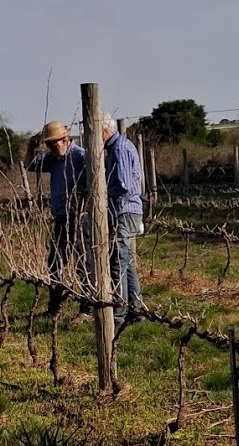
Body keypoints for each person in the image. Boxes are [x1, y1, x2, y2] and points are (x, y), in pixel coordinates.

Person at [26, 120, 89, 316]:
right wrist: (31, 146)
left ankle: (87, 308)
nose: (52, 148)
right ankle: (54, 307)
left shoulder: (81, 157)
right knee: (55, 263)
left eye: (55, 143)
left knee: (83, 264)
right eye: (49, 144)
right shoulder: (52, 159)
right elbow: (29, 165)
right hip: (61, 218)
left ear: (65, 139)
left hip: (79, 218)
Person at [100, 113, 145, 326]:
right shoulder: (119, 147)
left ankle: (119, 314)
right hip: (127, 211)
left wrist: (102, 192)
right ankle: (135, 309)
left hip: (124, 211)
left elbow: (124, 185)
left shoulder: (118, 149)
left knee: (118, 262)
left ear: (103, 130)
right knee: (126, 262)